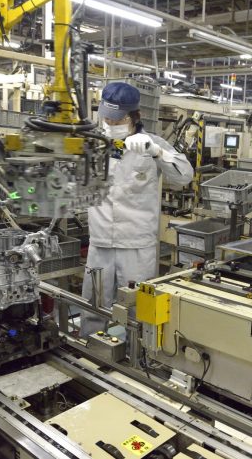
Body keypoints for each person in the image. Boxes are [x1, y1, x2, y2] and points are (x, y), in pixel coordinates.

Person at [79, 82, 193, 336]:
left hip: (137, 246)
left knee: (138, 310)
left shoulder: (153, 144)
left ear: (134, 117)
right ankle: (88, 349)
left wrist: (158, 153)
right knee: (93, 305)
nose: (110, 123)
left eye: (117, 119)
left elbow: (185, 176)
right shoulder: (92, 143)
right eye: (107, 118)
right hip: (100, 243)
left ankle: (139, 354)